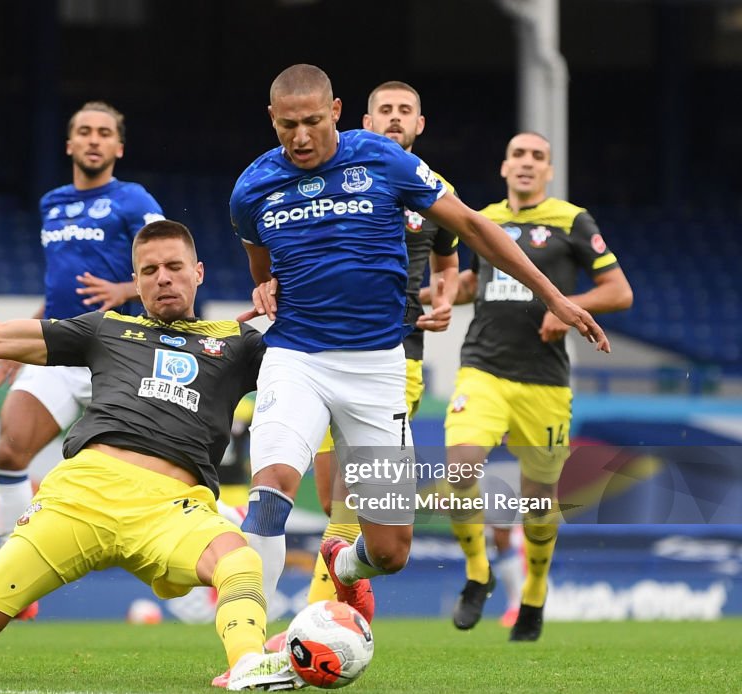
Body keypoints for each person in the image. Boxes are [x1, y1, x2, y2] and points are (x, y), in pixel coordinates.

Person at [0, 182, 303, 691]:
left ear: (198, 272)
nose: (163, 279)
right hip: (80, 496)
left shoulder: (238, 342)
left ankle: (248, 666)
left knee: (239, 559)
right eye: (149, 271)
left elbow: (310, 366)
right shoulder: (105, 328)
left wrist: (283, 296)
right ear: (135, 283)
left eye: (175, 267)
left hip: (172, 509)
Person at [228, 64, 610, 639]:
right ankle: (248, 648)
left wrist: (553, 295)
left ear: (335, 112)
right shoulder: (251, 188)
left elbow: (474, 229)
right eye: (287, 126)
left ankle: (344, 563)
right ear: (271, 120)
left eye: (311, 122)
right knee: (273, 486)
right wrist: (267, 287)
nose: (300, 137)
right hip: (296, 358)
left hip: (380, 370)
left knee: (389, 551)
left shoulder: (385, 162)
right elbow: (264, 267)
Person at [438, 131, 633, 641]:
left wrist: (570, 309)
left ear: (549, 171)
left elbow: (619, 291)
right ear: (504, 167)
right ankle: (478, 571)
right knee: (459, 468)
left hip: (544, 383)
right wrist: (429, 297)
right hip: (482, 369)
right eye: (518, 155)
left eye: (537, 157)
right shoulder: (485, 219)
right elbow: (472, 285)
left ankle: (534, 591)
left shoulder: (572, 220)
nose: (527, 163)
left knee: (538, 500)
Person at [0, 102, 164, 621]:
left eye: (104, 133)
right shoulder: (53, 203)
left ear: (118, 148)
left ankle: (220, 529)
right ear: (68, 144)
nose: (93, 140)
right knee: (9, 449)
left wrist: (125, 287)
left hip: (120, 351)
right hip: (61, 347)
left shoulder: (133, 200)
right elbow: (58, 282)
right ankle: (10, 577)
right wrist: (25, 340)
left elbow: (172, 262)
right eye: (83, 132)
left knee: (156, 474)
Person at [301, 81, 461, 612]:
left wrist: (443, 299)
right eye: (385, 111)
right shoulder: (335, 180)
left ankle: (317, 622)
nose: (395, 118)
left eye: (405, 111)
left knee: (349, 494)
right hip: (319, 354)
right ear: (365, 123)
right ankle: (350, 587)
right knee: (332, 502)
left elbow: (448, 264)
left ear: (420, 124)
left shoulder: (436, 189)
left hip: (396, 359)